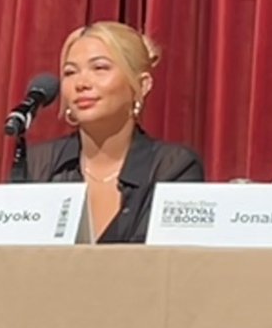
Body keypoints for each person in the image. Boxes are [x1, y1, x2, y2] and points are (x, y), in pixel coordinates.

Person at [25, 21, 204, 241]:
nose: (81, 83)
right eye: (70, 72)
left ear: (142, 85)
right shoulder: (38, 165)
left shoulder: (174, 168)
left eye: (100, 68)